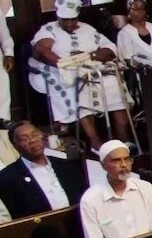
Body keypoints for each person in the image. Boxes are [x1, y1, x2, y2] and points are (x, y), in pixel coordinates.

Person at [30, 0, 133, 151]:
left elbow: (110, 50)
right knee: (79, 88)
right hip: (63, 71)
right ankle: (95, 142)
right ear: (58, 17)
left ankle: (125, 140)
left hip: (93, 68)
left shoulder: (88, 29)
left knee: (114, 84)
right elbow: (41, 50)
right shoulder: (49, 29)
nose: (70, 24)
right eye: (65, 20)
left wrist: (89, 56)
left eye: (73, 20)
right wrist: (65, 63)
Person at [79, 140, 152, 238]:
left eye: (127, 159)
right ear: (103, 165)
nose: (124, 165)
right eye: (116, 161)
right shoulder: (91, 200)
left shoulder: (146, 188)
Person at [0, 123, 89, 219]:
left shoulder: (66, 165)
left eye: (34, 135)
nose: (32, 140)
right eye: (25, 138)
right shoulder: (8, 177)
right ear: (16, 146)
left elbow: (85, 197)